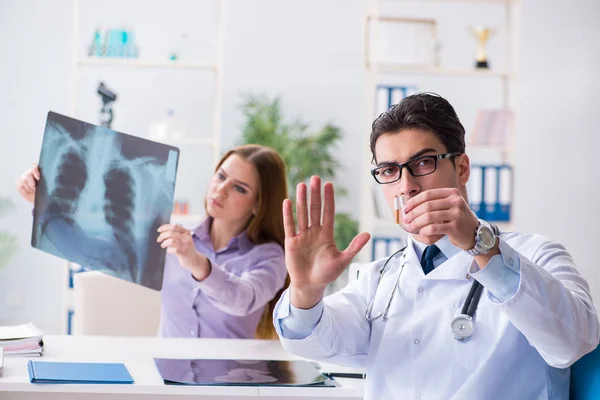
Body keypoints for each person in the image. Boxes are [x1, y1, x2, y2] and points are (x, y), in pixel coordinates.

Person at [273, 93, 600, 399]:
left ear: (462, 168)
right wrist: (306, 291)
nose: (407, 186)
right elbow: (317, 344)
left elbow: (574, 343)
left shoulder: (538, 254)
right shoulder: (378, 278)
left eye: (424, 163)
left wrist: (480, 245)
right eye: (389, 170)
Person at [17, 144, 289, 340]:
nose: (220, 190)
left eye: (239, 188)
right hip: (166, 381)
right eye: (221, 176)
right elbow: (94, 251)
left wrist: (196, 263)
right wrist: (43, 204)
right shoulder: (174, 236)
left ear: (258, 204)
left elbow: (243, 299)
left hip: (229, 387)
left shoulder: (270, 257)